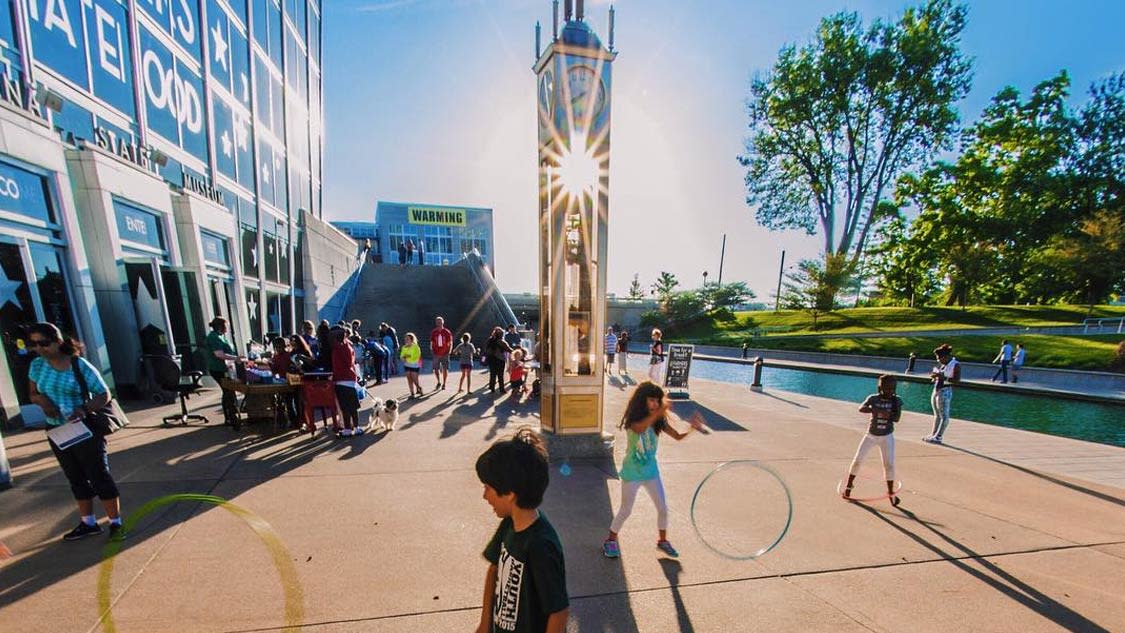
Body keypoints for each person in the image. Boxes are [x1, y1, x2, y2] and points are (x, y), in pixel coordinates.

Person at [26, 322, 125, 541]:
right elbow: (32, 393)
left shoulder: (78, 364)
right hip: (57, 428)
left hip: (84, 427)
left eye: (43, 343)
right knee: (75, 477)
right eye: (34, 344)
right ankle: (88, 522)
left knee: (99, 474)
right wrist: (41, 400)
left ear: (58, 341)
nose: (39, 348)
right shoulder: (37, 366)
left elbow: (103, 394)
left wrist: (82, 409)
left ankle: (116, 523)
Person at [475, 427, 569, 633]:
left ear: (509, 493)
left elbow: (559, 611)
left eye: (488, 488)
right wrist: (485, 623)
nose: (485, 496)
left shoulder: (541, 545)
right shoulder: (510, 523)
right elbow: (494, 569)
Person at [602, 381, 702, 559]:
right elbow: (640, 428)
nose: (655, 404)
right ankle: (610, 540)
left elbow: (678, 436)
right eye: (651, 401)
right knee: (626, 510)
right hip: (632, 473)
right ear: (642, 401)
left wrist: (692, 428)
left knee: (663, 508)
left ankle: (662, 541)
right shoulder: (634, 420)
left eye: (657, 401)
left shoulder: (658, 421)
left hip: (651, 472)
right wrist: (659, 413)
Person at [842, 375, 902, 506]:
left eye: (892, 389)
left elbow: (897, 418)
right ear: (880, 388)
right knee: (858, 460)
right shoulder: (873, 398)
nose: (889, 391)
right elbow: (861, 408)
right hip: (871, 435)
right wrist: (875, 409)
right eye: (886, 389)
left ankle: (891, 493)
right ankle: (849, 486)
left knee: (889, 464)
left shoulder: (896, 401)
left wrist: (889, 415)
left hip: (887, 436)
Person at [205, 317, 241, 424]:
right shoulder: (213, 337)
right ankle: (230, 416)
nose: (227, 328)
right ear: (221, 326)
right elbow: (219, 354)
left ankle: (232, 413)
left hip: (226, 368)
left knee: (230, 390)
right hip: (218, 369)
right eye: (226, 325)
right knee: (227, 390)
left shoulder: (221, 337)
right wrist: (235, 358)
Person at [924, 344, 960, 445]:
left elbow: (956, 380)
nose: (938, 360)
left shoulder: (955, 364)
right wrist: (935, 376)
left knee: (944, 415)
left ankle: (939, 436)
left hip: (945, 391)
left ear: (946, 356)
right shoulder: (944, 365)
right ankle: (934, 434)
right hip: (937, 390)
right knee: (937, 415)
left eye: (939, 358)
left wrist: (942, 377)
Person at [331, 328, 363, 437]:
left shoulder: (335, 348)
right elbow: (351, 363)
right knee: (353, 407)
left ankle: (347, 429)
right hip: (350, 379)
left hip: (340, 380)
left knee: (344, 408)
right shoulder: (349, 347)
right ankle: (357, 427)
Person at [485, 327, 514, 393]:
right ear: (501, 334)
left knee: (492, 374)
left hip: (491, 359)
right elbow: (509, 349)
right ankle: (502, 389)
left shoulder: (490, 340)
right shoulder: (502, 342)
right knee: (500, 375)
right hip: (500, 360)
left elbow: (486, 348)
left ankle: (492, 387)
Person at [430, 316, 453, 391]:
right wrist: (432, 351)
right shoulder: (434, 332)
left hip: (445, 353)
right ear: (436, 323)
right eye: (437, 322)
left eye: (440, 322)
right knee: (436, 369)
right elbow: (432, 342)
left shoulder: (446, 332)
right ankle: (438, 382)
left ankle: (444, 383)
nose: (439, 323)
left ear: (443, 322)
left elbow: (450, 342)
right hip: (436, 353)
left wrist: (449, 351)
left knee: (445, 368)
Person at [400, 332, 423, 398]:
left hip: (414, 365)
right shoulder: (404, 347)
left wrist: (406, 356)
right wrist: (404, 357)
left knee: (414, 380)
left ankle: (419, 388)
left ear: (411, 339)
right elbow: (401, 355)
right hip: (407, 365)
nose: (406, 340)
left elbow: (416, 356)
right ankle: (412, 393)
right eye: (405, 339)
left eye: (408, 339)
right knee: (409, 379)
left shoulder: (416, 347)